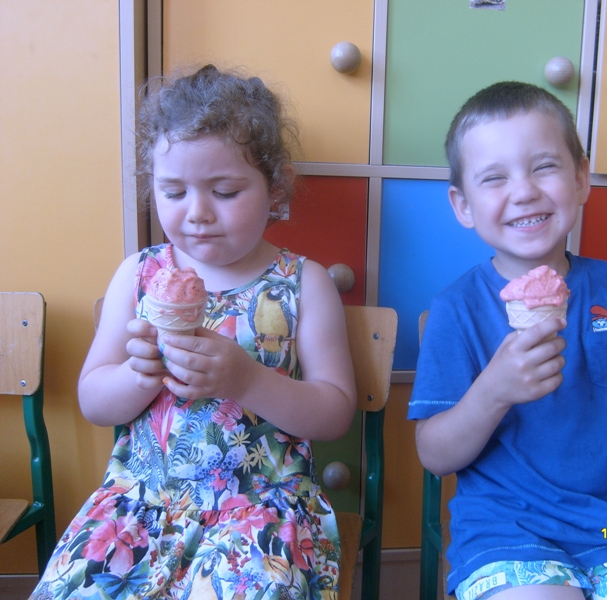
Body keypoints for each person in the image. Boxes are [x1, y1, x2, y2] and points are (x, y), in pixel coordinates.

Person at [31, 65, 356, 600]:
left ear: (275, 187)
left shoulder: (304, 283)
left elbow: (335, 412)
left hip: (259, 513)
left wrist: (248, 380)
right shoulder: (138, 274)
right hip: (139, 509)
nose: (198, 213)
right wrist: (138, 375)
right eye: (174, 191)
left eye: (225, 191)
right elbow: (94, 401)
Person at [408, 81, 607, 600]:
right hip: (504, 534)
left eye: (544, 166)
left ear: (580, 178)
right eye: (494, 178)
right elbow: (435, 456)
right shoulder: (455, 308)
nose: (524, 191)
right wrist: (493, 391)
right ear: (463, 205)